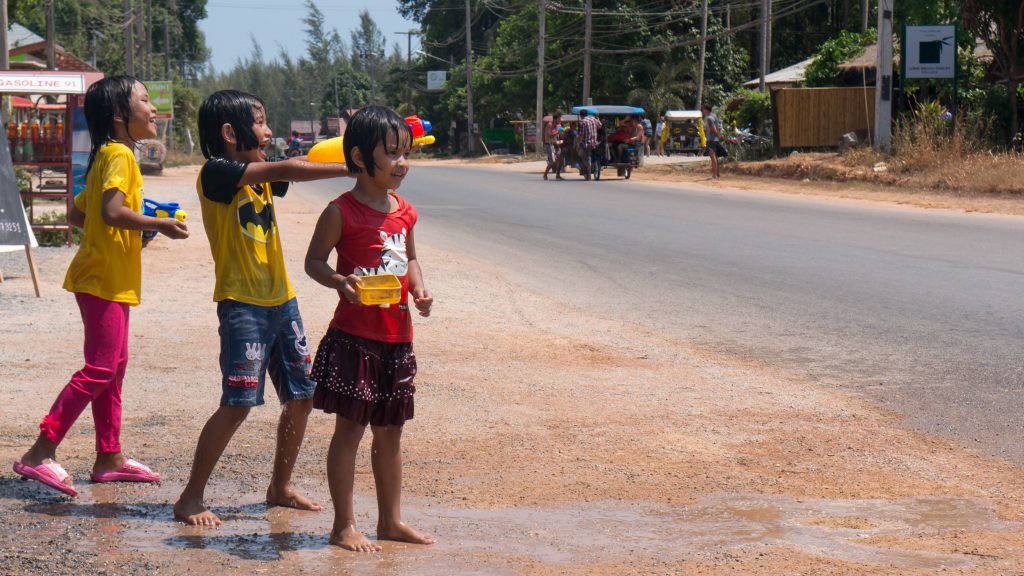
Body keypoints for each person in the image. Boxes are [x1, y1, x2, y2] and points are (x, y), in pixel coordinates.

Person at [173, 90, 348, 526]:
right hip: (242, 306)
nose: (269, 131)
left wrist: (352, 146)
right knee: (238, 404)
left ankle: (279, 486)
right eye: (262, 121)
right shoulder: (215, 173)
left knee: (303, 397)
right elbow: (292, 167)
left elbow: (298, 167)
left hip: (282, 301)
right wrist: (357, 168)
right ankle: (190, 497)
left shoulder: (262, 175)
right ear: (231, 133)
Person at [12, 75, 189, 497]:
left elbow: (81, 216)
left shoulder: (109, 153)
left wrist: (133, 231)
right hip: (102, 280)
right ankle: (40, 452)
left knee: (113, 367)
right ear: (118, 115)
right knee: (101, 368)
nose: (151, 108)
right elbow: (110, 212)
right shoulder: (120, 157)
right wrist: (158, 224)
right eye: (144, 101)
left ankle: (109, 457)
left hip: (109, 278)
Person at [304, 105, 435, 552]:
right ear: (360, 157)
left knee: (391, 432)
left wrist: (419, 289)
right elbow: (314, 262)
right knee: (350, 429)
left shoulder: (405, 212)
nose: (402, 162)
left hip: (397, 338)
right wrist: (341, 282)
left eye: (406, 152)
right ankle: (343, 524)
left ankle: (390, 520)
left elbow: (410, 260)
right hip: (354, 339)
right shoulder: (341, 211)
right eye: (392, 153)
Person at [576, 109, 599, 181]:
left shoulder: (583, 121)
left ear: (581, 115)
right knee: (585, 157)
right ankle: (587, 172)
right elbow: (600, 125)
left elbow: (581, 135)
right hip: (594, 142)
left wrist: (578, 143)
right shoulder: (593, 119)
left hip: (586, 143)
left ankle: (588, 175)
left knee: (584, 157)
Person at [542, 113, 564, 181]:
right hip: (548, 144)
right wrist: (557, 132)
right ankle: (545, 174)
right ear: (555, 119)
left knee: (561, 159)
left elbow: (560, 136)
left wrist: (562, 132)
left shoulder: (558, 125)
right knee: (552, 162)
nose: (560, 120)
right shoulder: (549, 125)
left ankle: (558, 175)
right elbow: (549, 134)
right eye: (559, 119)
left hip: (555, 144)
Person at [703, 104, 721, 179]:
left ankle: (714, 175)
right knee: (715, 157)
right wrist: (718, 136)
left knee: (713, 157)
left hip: (711, 139)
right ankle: (717, 174)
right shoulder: (714, 116)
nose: (703, 111)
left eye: (704, 110)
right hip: (715, 139)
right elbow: (718, 127)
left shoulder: (709, 118)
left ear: (707, 110)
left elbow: (713, 129)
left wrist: (717, 135)